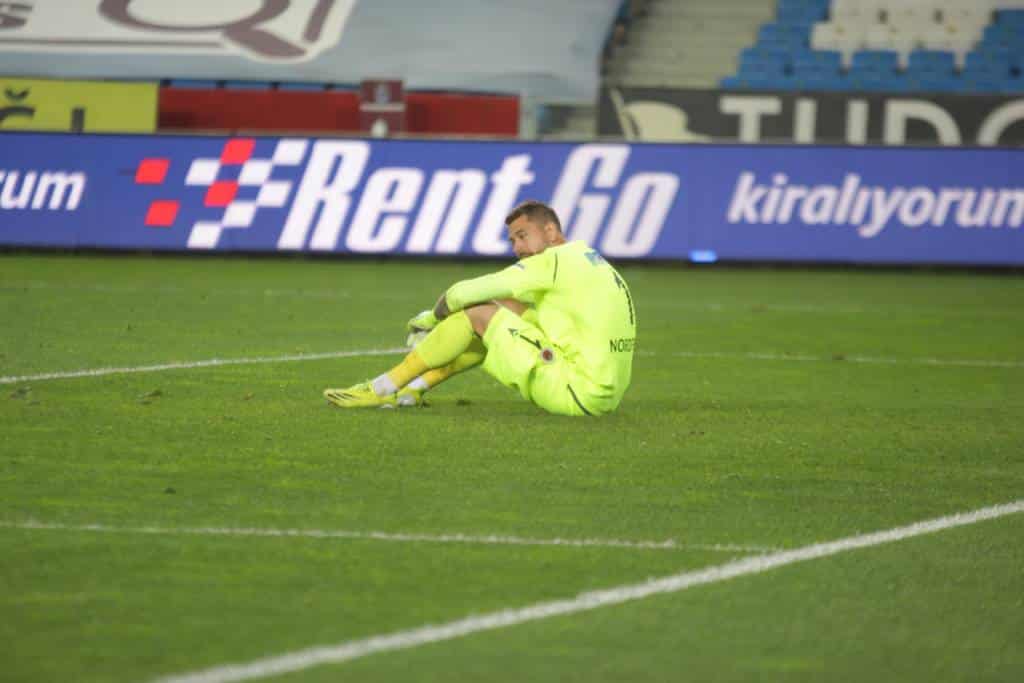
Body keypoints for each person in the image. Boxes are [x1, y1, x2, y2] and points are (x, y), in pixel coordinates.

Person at [323, 200, 636, 416]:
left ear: (551, 232)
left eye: (523, 236)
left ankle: (380, 388)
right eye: (512, 241)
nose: (518, 248)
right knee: (506, 310)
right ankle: (414, 388)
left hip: (574, 390)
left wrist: (431, 319)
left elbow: (463, 293)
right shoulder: (589, 259)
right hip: (605, 394)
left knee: (478, 314)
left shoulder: (551, 262)